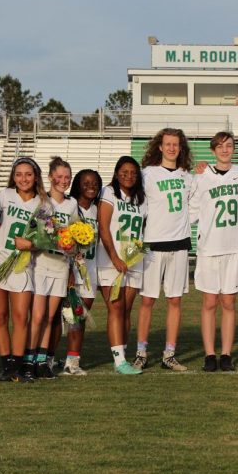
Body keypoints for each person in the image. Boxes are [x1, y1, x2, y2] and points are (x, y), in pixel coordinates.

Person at [189, 131, 238, 372]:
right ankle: (209, 354)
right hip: (208, 247)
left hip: (233, 247)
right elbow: (192, 212)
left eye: (229, 145)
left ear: (234, 148)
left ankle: (226, 354)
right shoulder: (201, 176)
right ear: (213, 150)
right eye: (220, 146)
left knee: (228, 302)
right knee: (208, 302)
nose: (225, 150)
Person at [134, 128, 194, 372]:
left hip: (180, 244)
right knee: (147, 300)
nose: (171, 148)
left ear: (180, 148)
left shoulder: (188, 176)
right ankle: (141, 352)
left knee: (175, 300)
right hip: (153, 245)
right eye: (167, 144)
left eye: (175, 144)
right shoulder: (146, 174)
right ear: (159, 146)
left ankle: (169, 353)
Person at [0, 157, 47, 383]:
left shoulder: (42, 204)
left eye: (28, 174)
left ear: (36, 177)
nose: (23, 179)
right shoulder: (4, 196)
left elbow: (46, 238)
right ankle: (8, 366)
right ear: (13, 177)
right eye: (19, 174)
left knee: (21, 316)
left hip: (22, 265)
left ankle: (18, 362)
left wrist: (32, 245)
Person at [27, 156, 77, 380]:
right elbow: (35, 233)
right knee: (37, 316)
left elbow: (77, 233)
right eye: (59, 177)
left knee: (49, 316)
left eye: (67, 177)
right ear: (50, 177)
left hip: (61, 265)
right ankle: (28, 360)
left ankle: (42, 361)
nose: (63, 181)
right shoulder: (42, 202)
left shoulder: (72, 204)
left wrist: (75, 243)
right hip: (41, 263)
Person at [98, 156, 147, 375]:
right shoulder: (109, 193)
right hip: (111, 261)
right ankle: (119, 361)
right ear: (117, 173)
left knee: (126, 310)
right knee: (115, 308)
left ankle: (123, 354)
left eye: (133, 173)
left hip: (134, 261)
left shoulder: (141, 199)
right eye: (124, 172)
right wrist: (114, 258)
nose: (129, 176)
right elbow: (104, 227)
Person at [61, 169, 103, 376]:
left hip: (90, 270)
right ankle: (50, 358)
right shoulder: (70, 206)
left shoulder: (98, 210)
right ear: (77, 184)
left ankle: (73, 360)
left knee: (80, 318)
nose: (90, 186)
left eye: (94, 182)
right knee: (65, 318)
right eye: (86, 182)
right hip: (70, 269)